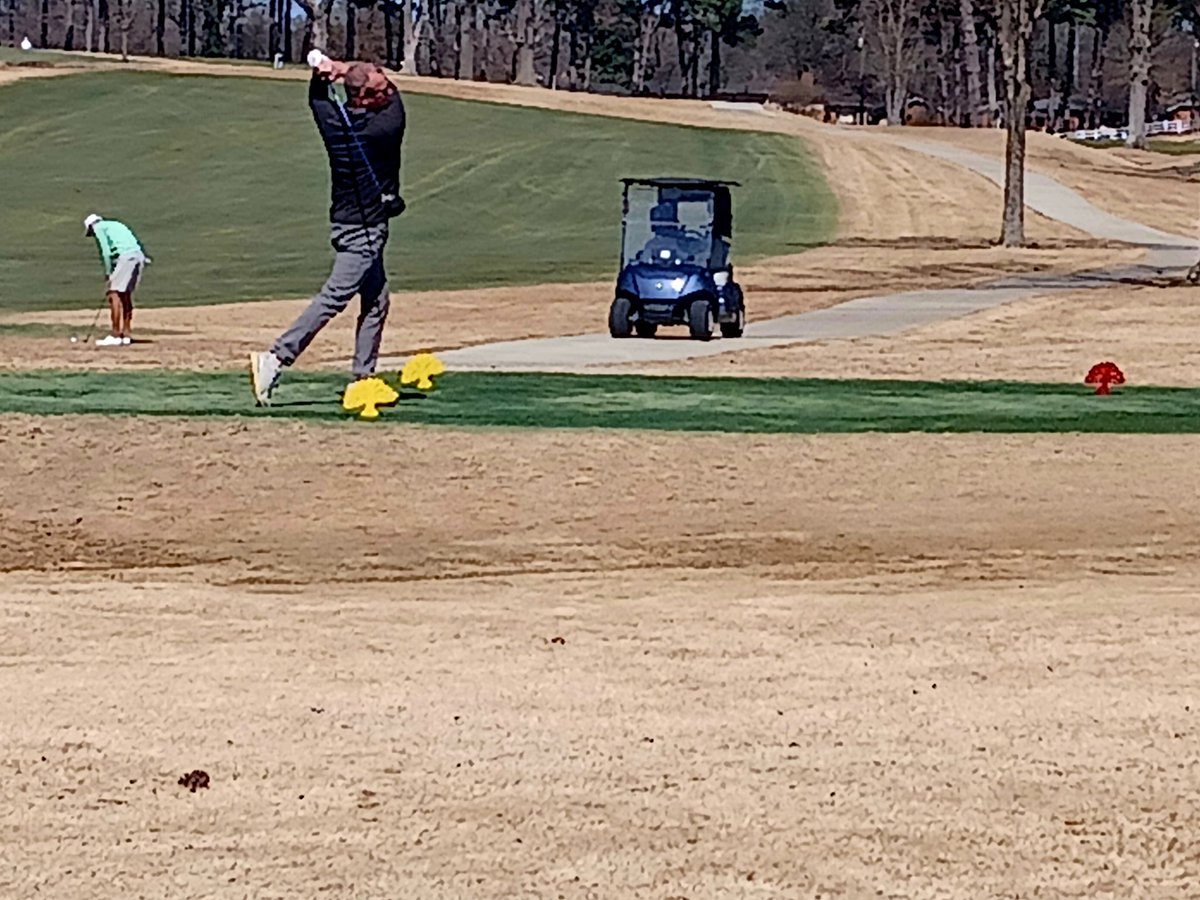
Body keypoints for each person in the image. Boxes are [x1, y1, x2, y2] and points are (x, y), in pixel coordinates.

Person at [249, 52, 407, 406]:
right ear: (366, 98)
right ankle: (276, 357)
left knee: (377, 300)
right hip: (364, 231)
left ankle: (362, 379)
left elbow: (317, 97)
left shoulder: (334, 122)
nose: (387, 91)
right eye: (379, 87)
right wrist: (339, 69)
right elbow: (394, 97)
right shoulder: (386, 126)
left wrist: (325, 74)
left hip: (346, 222)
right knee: (334, 298)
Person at [84, 213, 149, 347]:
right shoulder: (115, 224)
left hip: (126, 257)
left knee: (114, 294)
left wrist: (108, 273)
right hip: (138, 256)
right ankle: (126, 334)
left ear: (91, 227)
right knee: (125, 295)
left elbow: (106, 252)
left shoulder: (99, 228)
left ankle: (115, 335)